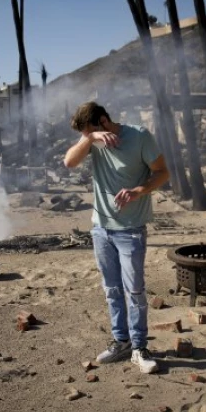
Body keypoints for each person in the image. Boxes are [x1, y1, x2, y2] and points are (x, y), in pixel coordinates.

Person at [64, 102, 169, 374]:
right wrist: (90, 138)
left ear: (104, 121)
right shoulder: (92, 141)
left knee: (134, 290)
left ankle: (139, 348)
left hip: (131, 228)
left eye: (92, 130)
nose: (89, 138)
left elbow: (162, 172)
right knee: (111, 289)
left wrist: (138, 190)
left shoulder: (139, 136)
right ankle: (121, 342)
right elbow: (69, 162)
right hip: (100, 228)